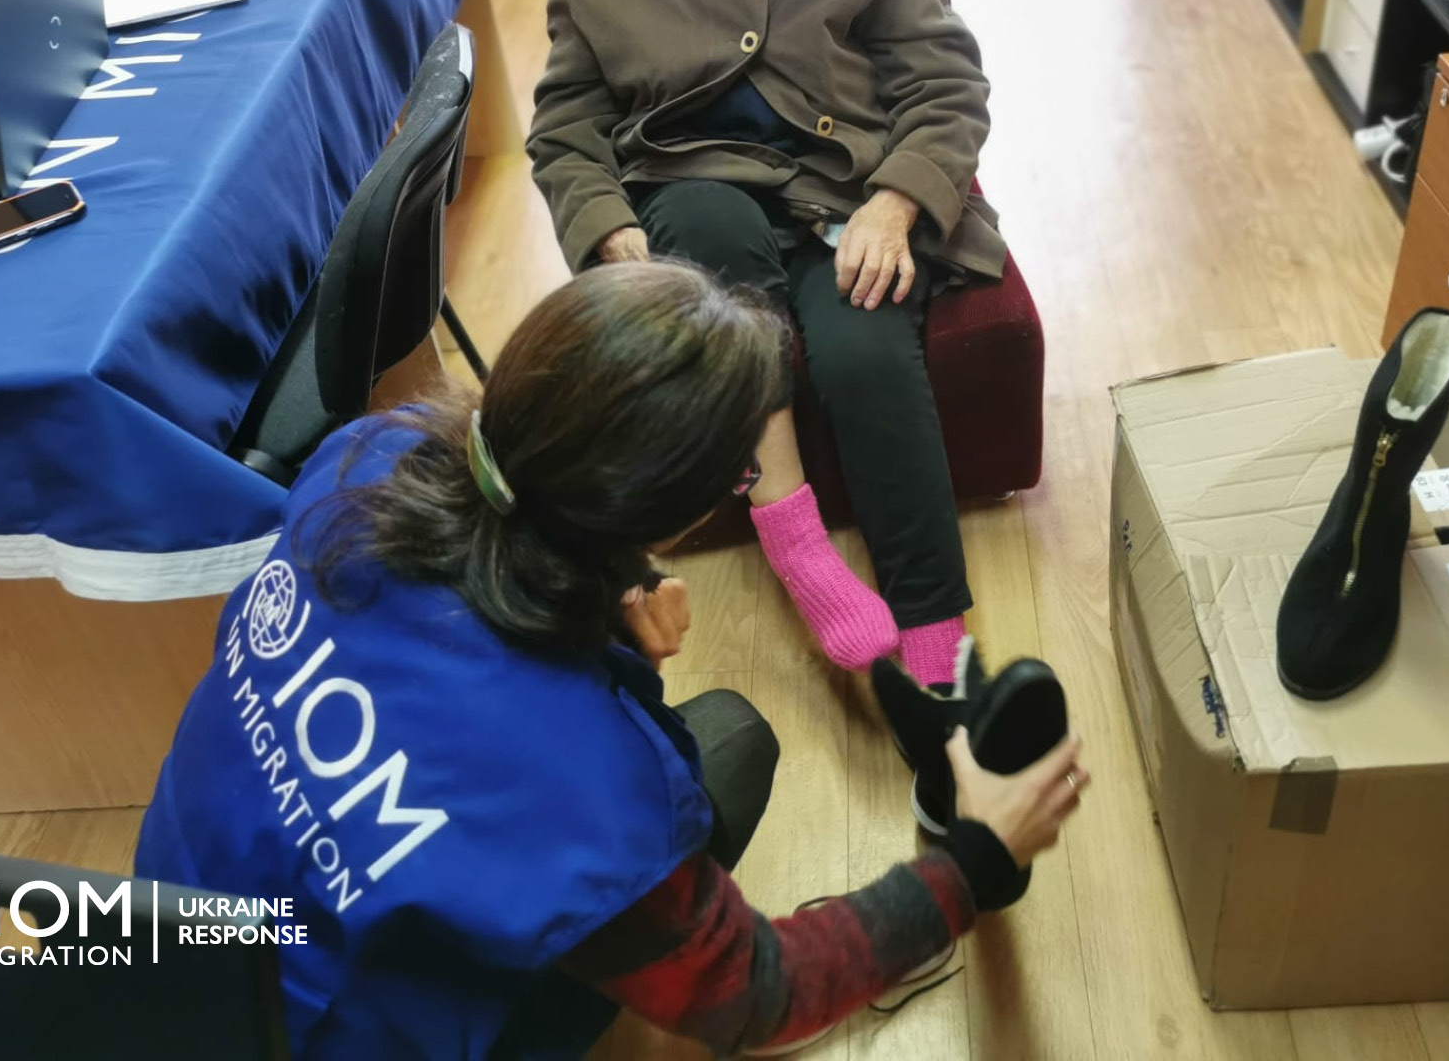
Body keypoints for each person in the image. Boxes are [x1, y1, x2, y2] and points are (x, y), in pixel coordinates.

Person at [136, 264, 1082, 1057]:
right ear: (666, 515)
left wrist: (603, 606)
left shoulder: (362, 457)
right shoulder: (590, 783)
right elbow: (757, 992)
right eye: (740, 473)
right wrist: (974, 862)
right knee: (729, 753)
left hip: (162, 939)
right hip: (305, 1037)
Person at [527, 0, 1001, 696]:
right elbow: (565, 123)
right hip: (687, 187)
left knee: (867, 346)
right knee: (710, 228)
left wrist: (897, 197)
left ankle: (938, 633)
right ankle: (798, 544)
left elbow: (946, 82)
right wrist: (604, 225)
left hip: (840, 191)